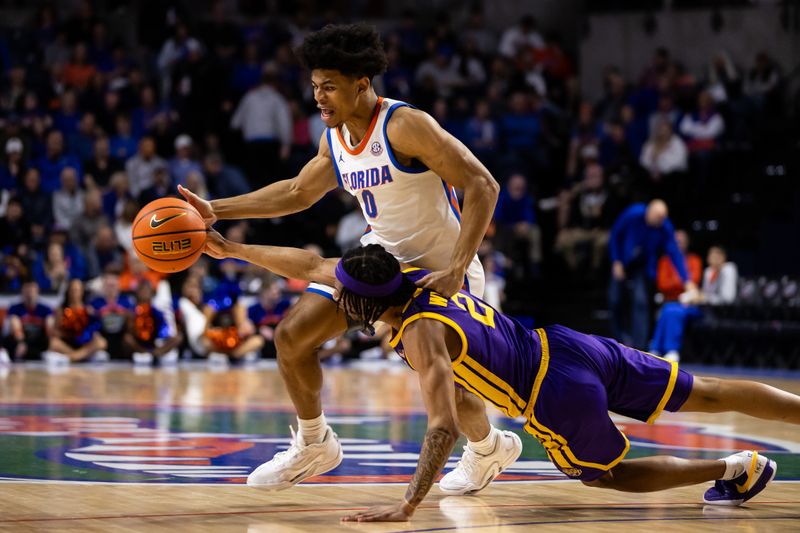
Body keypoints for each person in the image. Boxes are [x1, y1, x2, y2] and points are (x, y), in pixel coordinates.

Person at [204, 233, 799, 521]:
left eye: (342, 298)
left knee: (606, 476)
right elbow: (308, 263)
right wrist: (228, 246)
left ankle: (736, 469)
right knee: (705, 389)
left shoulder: (419, 332)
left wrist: (407, 505)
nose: (335, 299)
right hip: (567, 345)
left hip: (553, 395)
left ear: (363, 304)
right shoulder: (410, 274)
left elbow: (440, 427)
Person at [178, 23, 506, 495]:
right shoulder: (332, 138)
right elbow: (295, 192)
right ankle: (315, 443)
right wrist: (217, 210)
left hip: (441, 267)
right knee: (291, 335)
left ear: (362, 84)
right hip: (381, 262)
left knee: (452, 389)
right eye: (314, 87)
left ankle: (488, 446)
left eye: (329, 86)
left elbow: (483, 185)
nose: (319, 98)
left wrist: (456, 267)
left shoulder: (404, 125)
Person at [608, 199, 694, 349]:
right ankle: (617, 342)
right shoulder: (633, 214)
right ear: (649, 212)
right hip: (623, 261)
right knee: (614, 300)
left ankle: (638, 348)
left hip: (643, 266)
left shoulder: (665, 226)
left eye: (663, 218)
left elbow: (675, 253)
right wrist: (616, 260)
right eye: (658, 218)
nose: (661, 221)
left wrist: (686, 279)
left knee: (641, 302)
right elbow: (615, 234)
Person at [651, 245, 737, 362]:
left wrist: (703, 298)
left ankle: (672, 350)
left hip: (717, 312)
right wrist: (696, 296)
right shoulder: (708, 271)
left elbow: (728, 298)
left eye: (717, 255)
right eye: (711, 255)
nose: (713, 258)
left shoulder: (729, 269)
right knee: (668, 308)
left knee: (675, 311)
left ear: (723, 257)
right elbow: (706, 293)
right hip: (703, 307)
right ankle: (655, 349)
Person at [47, 278, 108, 364]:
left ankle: (73, 357)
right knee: (54, 343)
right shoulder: (61, 310)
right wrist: (69, 334)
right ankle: (79, 356)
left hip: (85, 343)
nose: (75, 293)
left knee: (101, 342)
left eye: (77, 290)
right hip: (68, 343)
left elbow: (94, 328)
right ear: (68, 291)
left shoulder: (88, 309)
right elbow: (55, 331)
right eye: (72, 290)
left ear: (82, 291)